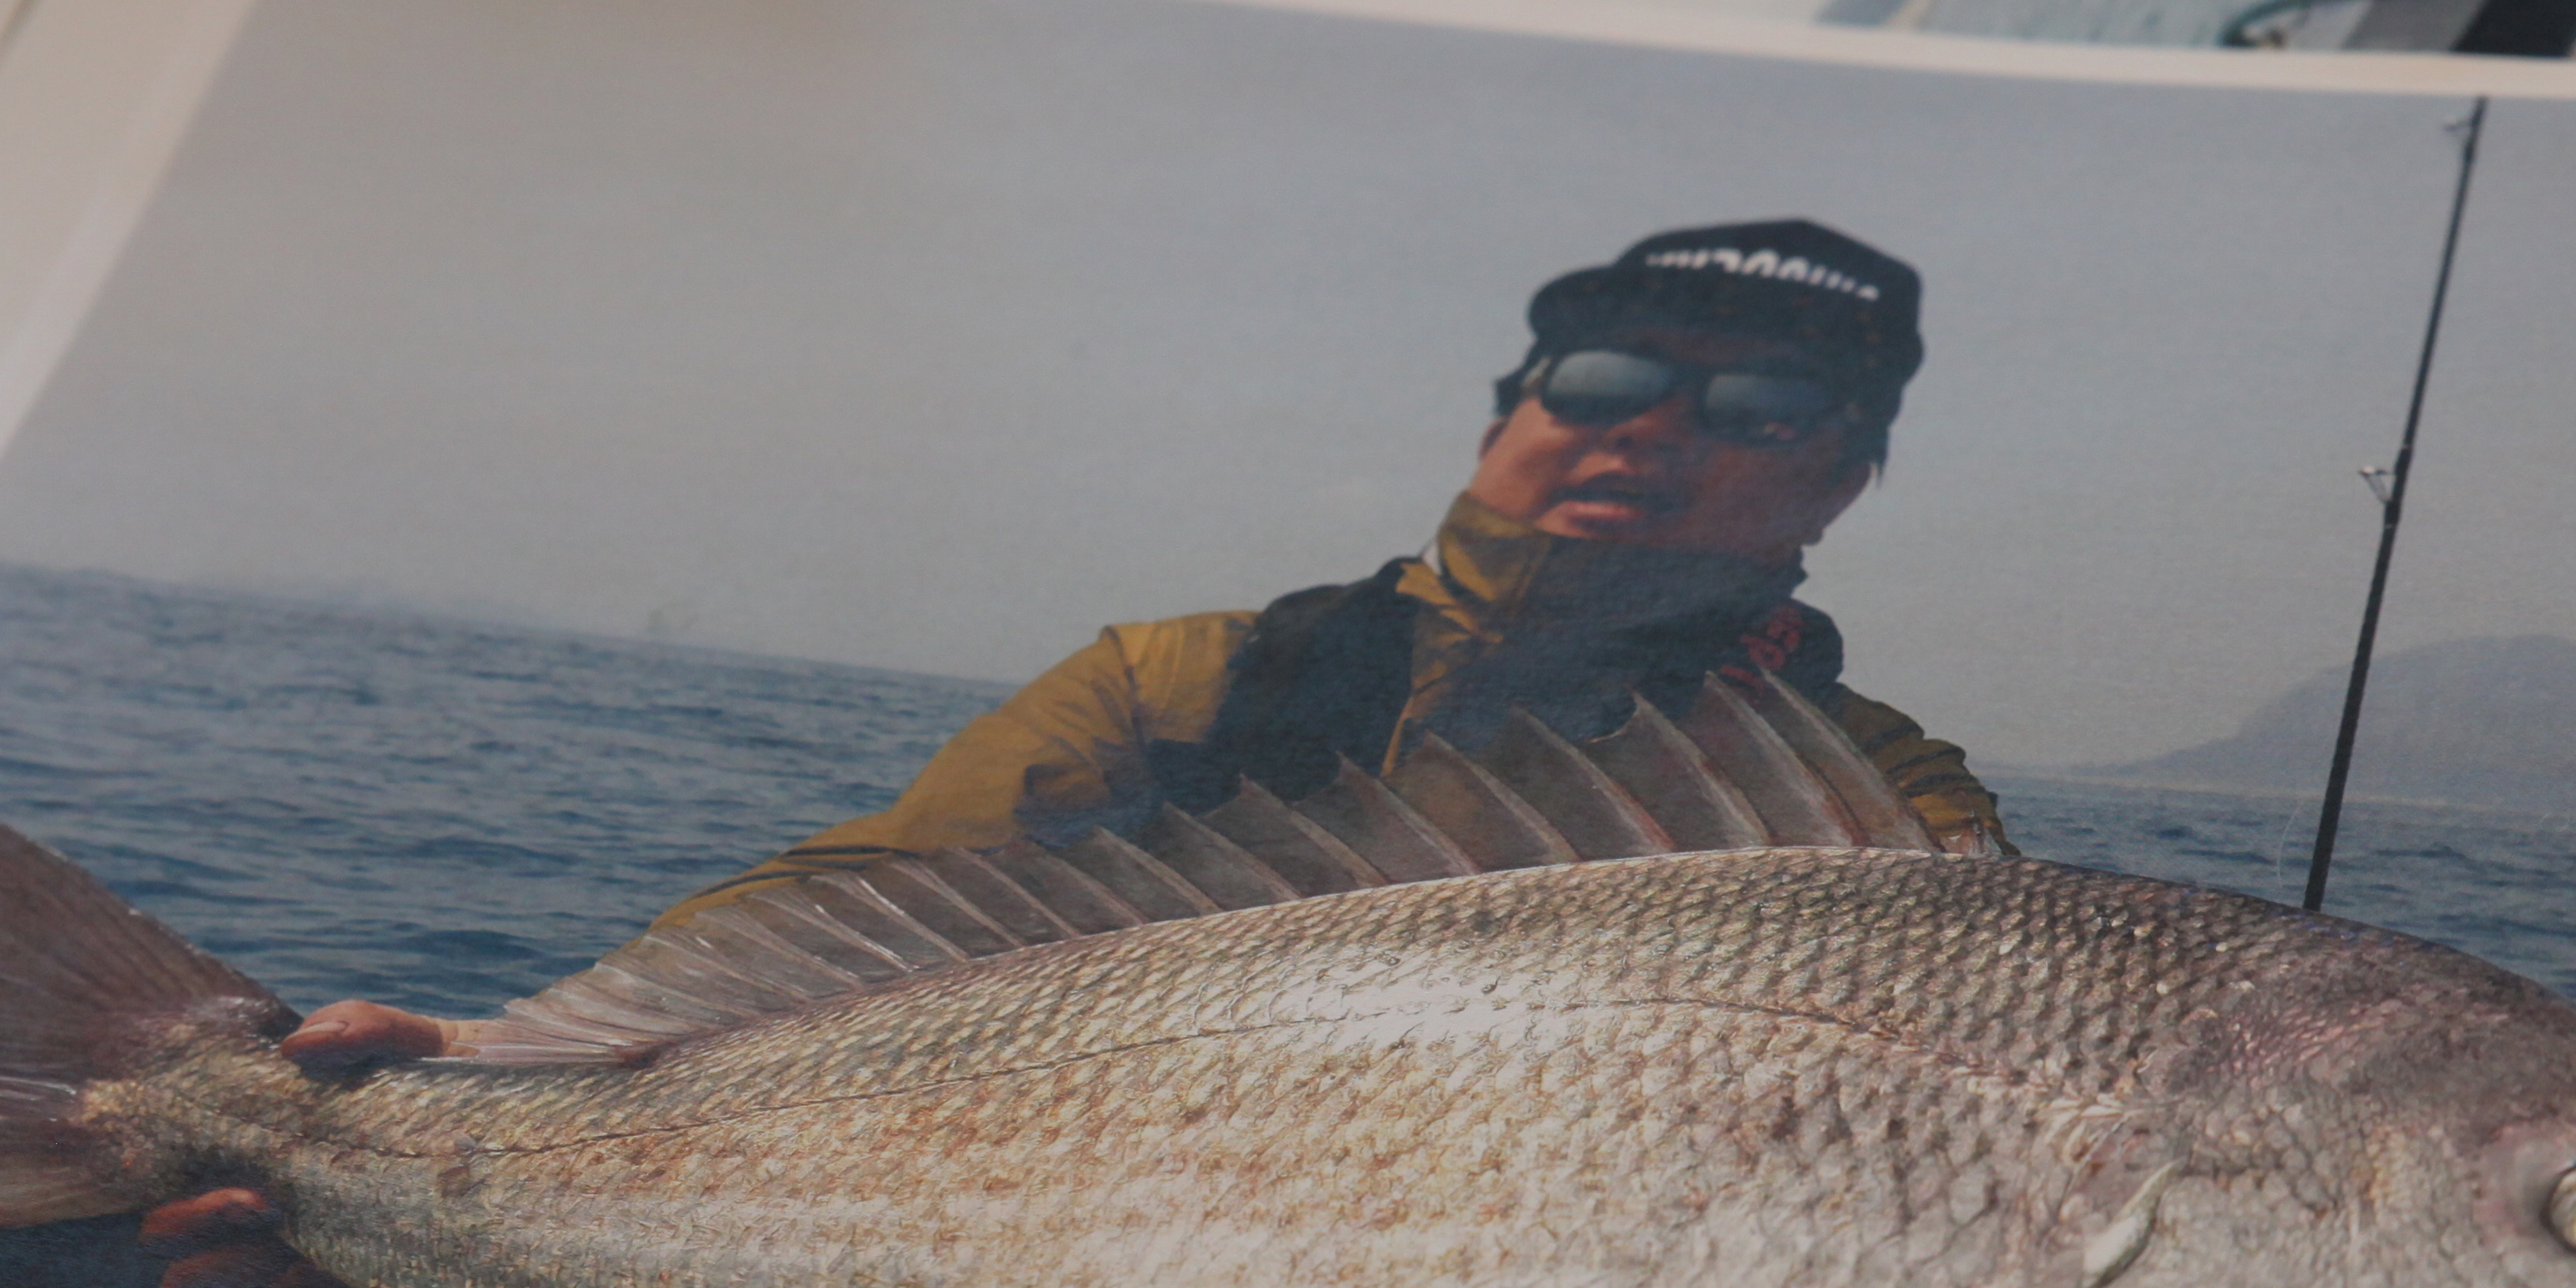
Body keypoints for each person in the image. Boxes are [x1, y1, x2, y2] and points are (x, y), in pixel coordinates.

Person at [283, 218, 2004, 1071]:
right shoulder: (1180, 680)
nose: (1655, 431)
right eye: (1611, 381)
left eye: (1764, 404)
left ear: (1844, 479)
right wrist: (504, 1067)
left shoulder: (1877, 791)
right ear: (1506, 423)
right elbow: (837, 929)